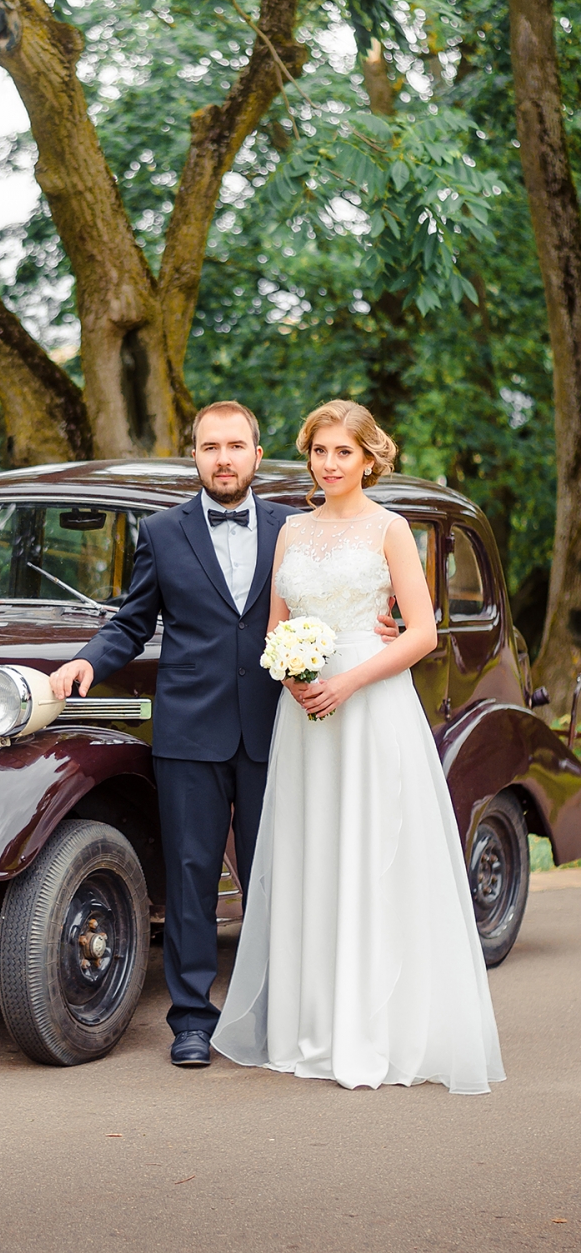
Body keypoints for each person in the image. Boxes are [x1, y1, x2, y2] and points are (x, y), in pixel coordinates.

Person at [49, 401, 398, 1068]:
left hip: (283, 728)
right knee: (190, 877)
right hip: (189, 732)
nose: (225, 458)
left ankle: (273, 1011)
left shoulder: (296, 528)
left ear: (258, 457)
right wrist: (87, 660)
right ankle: (189, 1018)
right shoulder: (160, 532)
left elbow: (339, 600)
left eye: (237, 446)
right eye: (211, 447)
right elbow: (131, 621)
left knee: (281, 876)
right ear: (196, 456)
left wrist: (384, 624)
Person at [211, 400, 504, 1093]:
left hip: (370, 706)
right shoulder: (291, 531)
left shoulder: (391, 529)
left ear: (370, 458)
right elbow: (276, 627)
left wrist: (344, 683)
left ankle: (374, 1027)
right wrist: (293, 675)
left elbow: (422, 633)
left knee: (371, 854)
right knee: (314, 855)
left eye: (344, 452)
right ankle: (311, 1022)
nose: (330, 464)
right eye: (319, 452)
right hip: (304, 714)